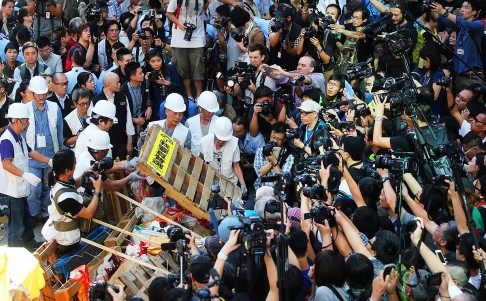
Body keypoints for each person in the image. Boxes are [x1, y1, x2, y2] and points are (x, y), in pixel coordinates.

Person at [0, 103, 51, 248]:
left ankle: (30, 243)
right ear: (17, 120)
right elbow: (6, 164)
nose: (28, 123)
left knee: (26, 219)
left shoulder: (19, 137)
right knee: (16, 225)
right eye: (26, 120)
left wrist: (49, 161)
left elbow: (30, 152)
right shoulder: (7, 140)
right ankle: (15, 254)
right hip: (11, 190)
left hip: (20, 188)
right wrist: (25, 175)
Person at [41, 149, 102, 253]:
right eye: (74, 164)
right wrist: (97, 190)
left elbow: (73, 185)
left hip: (58, 226)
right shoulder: (65, 198)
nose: (76, 165)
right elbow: (88, 213)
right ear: (66, 170)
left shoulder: (59, 178)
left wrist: (90, 170)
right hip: (66, 238)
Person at [25, 76, 63, 225]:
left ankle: (47, 213)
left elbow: (59, 133)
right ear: (32, 93)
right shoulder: (26, 109)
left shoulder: (54, 107)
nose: (41, 97)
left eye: (44, 94)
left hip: (50, 156)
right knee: (33, 189)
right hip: (32, 158)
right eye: (38, 94)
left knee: (48, 188)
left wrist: (59, 153)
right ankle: (34, 214)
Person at [431, 0, 484, 92]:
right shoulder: (460, 27)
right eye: (462, 7)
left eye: (466, 7)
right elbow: (443, 20)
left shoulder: (478, 25)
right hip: (459, 75)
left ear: (474, 12)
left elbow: (462, 23)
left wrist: (444, 12)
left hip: (473, 77)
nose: (462, 10)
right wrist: (433, 10)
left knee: (469, 105)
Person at [166, 0, 206, 101]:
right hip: (179, 40)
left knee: (198, 70)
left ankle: (199, 97)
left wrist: (233, 3)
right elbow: (169, 13)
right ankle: (189, 96)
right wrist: (179, 23)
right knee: (183, 71)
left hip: (197, 38)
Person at [92, 72, 136, 159]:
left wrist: (129, 141)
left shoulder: (123, 97)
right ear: (108, 85)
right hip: (104, 144)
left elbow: (128, 120)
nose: (120, 84)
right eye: (117, 82)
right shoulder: (96, 100)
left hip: (121, 140)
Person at [200, 117, 247, 194]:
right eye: (219, 139)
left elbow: (236, 165)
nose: (221, 142)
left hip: (229, 181)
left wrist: (242, 183)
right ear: (215, 134)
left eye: (224, 140)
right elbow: (201, 160)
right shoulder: (205, 142)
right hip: (211, 179)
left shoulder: (234, 144)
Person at [254, 121, 295, 189]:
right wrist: (271, 160)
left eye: (279, 139)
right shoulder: (261, 151)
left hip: (278, 191)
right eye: (273, 137)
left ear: (284, 140)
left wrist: (275, 162)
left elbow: (283, 179)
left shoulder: (289, 156)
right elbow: (259, 173)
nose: (275, 141)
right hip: (261, 189)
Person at [268, 3, 303, 71]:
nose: (277, 19)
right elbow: (272, 44)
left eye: (279, 17)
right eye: (276, 16)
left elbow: (296, 53)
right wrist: (278, 30)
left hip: (289, 68)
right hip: (273, 64)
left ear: (289, 18)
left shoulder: (298, 31)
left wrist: (288, 49)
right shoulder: (272, 23)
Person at [185, 91, 219, 156]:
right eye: (209, 111)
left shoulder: (219, 122)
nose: (211, 113)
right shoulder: (190, 123)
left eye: (213, 111)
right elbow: (187, 146)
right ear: (201, 108)